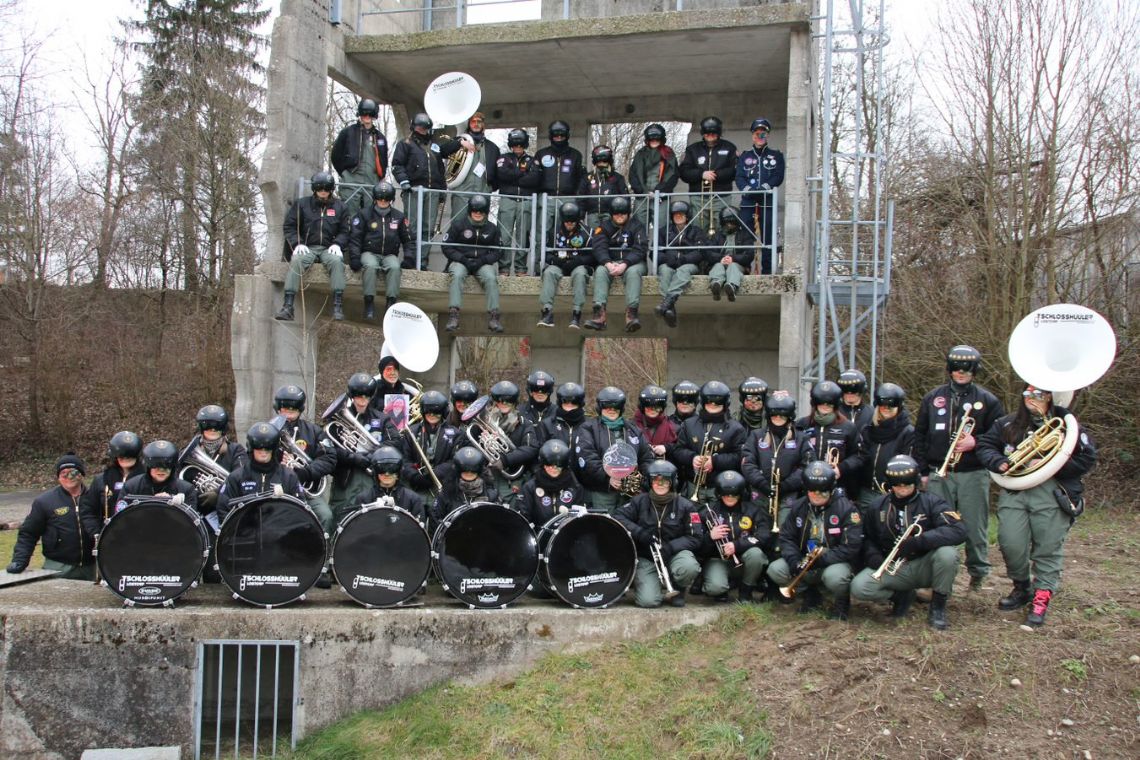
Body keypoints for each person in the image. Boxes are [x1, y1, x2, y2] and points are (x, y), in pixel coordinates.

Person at [976, 384, 1096, 629]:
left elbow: (1087, 458)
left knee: (1047, 548)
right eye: (1028, 394)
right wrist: (998, 461)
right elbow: (984, 444)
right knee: (1010, 543)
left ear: (1050, 397)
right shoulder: (1008, 423)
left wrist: (1051, 462)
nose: (1032, 399)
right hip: (1016, 492)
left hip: (1051, 493)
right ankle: (1022, 587)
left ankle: (1042, 597)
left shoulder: (1068, 427)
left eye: (1039, 395)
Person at [913, 345, 1006, 591]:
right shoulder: (933, 398)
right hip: (938, 473)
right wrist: (923, 471)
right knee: (937, 525)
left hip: (973, 473)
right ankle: (936, 574)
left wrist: (976, 442)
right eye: (956, 368)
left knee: (975, 526)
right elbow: (919, 436)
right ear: (949, 369)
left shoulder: (988, 400)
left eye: (967, 368)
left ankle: (978, 573)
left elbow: (1000, 437)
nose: (961, 372)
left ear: (975, 370)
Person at [850, 455, 967, 630]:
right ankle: (901, 596)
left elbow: (958, 530)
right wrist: (873, 555)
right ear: (890, 484)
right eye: (897, 484)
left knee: (947, 554)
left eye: (908, 484)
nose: (903, 488)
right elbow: (867, 537)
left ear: (916, 482)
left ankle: (938, 607)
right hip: (895, 566)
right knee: (860, 587)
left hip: (925, 563)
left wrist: (920, 541)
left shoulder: (932, 501)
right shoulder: (877, 506)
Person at [767, 460, 862, 620]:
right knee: (776, 570)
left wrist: (821, 560)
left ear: (831, 490)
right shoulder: (799, 506)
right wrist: (794, 560)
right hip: (806, 557)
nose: (817, 496)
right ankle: (810, 593)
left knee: (835, 577)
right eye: (812, 491)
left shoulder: (847, 509)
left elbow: (851, 546)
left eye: (822, 492)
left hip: (832, 560)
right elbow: (786, 537)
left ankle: (841, 601)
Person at [614, 460, 706, 608]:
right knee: (648, 601)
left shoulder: (686, 506)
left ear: (673, 482)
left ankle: (678, 589)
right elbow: (618, 516)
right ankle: (650, 585)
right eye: (656, 480)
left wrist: (671, 547)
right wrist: (640, 533)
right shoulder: (639, 502)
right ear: (649, 482)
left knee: (689, 566)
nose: (660, 484)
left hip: (674, 554)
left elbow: (695, 537)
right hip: (648, 557)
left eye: (665, 481)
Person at [324, 372, 403, 521]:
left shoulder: (382, 419)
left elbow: (395, 442)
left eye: (366, 396)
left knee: (372, 518)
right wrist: (352, 457)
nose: (362, 400)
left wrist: (374, 455)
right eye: (359, 396)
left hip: (372, 477)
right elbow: (329, 447)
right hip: (346, 478)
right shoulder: (337, 420)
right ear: (352, 396)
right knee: (341, 516)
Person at [7, 454, 96, 580]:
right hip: (58, 566)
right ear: (58, 477)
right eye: (63, 473)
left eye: (73, 472)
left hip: (93, 566)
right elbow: (28, 533)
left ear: (81, 474)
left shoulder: (95, 498)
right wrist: (19, 561)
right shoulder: (44, 502)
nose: (68, 476)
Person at [276, 171, 350, 322]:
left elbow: (346, 230)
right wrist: (297, 243)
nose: (323, 191)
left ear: (331, 189)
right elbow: (290, 226)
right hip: (307, 247)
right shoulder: (302, 204)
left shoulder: (340, 207)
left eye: (326, 188)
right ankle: (288, 306)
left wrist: (338, 244)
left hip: (329, 248)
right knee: (296, 261)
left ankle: (337, 306)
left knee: (337, 262)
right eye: (320, 188)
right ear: (314, 188)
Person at [741, 392, 815, 536]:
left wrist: (786, 486)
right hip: (760, 493)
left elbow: (807, 465)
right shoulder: (757, 436)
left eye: (782, 416)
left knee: (785, 532)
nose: (778, 419)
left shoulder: (801, 438)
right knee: (759, 530)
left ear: (789, 417)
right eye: (774, 416)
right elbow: (748, 463)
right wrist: (762, 484)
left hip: (789, 494)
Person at [575, 386, 655, 513]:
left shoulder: (633, 429)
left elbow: (646, 458)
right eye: (607, 406)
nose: (611, 410)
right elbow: (587, 458)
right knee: (604, 523)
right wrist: (608, 478)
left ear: (621, 408)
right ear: (600, 408)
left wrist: (641, 480)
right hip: (602, 490)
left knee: (627, 523)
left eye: (616, 407)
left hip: (630, 492)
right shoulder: (588, 428)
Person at [272, 384, 337, 535]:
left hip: (307, 491)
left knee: (326, 516)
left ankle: (322, 549)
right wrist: (279, 463)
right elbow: (256, 457)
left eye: (293, 409)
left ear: (300, 410)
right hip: (276, 489)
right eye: (285, 409)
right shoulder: (268, 430)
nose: (289, 413)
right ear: (278, 408)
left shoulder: (313, 431)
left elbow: (329, 458)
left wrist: (305, 472)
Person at [391, 112, 458, 255]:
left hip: (432, 191)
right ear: (413, 127)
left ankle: (422, 259)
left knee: (428, 227)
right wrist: (404, 181)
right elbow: (397, 165)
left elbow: (440, 169)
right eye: (419, 127)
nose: (422, 130)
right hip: (413, 190)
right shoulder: (405, 144)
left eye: (425, 128)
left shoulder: (434, 146)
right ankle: (411, 258)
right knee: (412, 226)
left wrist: (442, 190)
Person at [672, 381, 747, 504]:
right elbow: (677, 450)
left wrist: (714, 461)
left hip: (722, 488)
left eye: (717, 403)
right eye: (709, 402)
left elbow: (740, 456)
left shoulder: (736, 428)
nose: (713, 404)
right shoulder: (689, 424)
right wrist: (692, 458)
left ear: (725, 403)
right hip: (692, 485)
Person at [701, 470, 770, 603]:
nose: (730, 497)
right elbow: (697, 546)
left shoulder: (753, 510)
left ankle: (746, 591)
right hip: (718, 560)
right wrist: (710, 537)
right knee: (715, 588)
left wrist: (737, 545)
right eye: (726, 494)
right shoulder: (708, 512)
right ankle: (724, 585)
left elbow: (764, 536)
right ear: (719, 493)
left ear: (741, 493)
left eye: (734, 494)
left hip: (744, 559)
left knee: (756, 554)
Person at [347, 181, 414, 319]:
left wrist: (408, 257)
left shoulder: (399, 217)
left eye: (386, 199)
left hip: (389, 254)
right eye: (380, 199)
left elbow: (408, 240)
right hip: (369, 252)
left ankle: (391, 303)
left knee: (395, 267)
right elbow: (355, 238)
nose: (383, 202)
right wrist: (354, 257)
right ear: (375, 199)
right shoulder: (364, 214)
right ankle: (369, 302)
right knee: (371, 266)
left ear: (391, 200)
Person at [216, 423, 306, 521]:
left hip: (281, 528)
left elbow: (300, 510)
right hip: (245, 529)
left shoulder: (289, 476)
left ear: (274, 449)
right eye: (258, 447)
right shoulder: (236, 477)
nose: (263, 451)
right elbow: (223, 509)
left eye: (268, 448)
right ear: (251, 448)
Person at [441, 194, 504, 333]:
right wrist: (462, 259)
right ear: (470, 211)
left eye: (481, 211)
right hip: (461, 261)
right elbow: (446, 246)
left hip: (482, 263)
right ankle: (453, 315)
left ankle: (494, 317)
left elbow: (499, 251)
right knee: (457, 275)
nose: (478, 213)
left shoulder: (492, 228)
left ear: (486, 212)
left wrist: (483, 260)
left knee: (491, 277)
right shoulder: (458, 225)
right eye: (475, 210)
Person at [586, 196, 647, 333]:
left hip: (633, 263)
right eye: (616, 213)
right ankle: (599, 314)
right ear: (611, 214)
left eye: (623, 213)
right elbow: (599, 247)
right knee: (600, 271)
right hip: (611, 263)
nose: (620, 216)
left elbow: (640, 248)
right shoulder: (604, 227)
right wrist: (607, 263)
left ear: (628, 213)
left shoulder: (637, 226)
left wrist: (625, 264)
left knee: (633, 273)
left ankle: (631, 314)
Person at [537, 200, 600, 329]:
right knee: (549, 272)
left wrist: (579, 261)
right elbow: (546, 253)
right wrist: (555, 260)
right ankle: (547, 312)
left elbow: (594, 256)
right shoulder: (554, 231)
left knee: (580, 275)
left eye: (572, 222)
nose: (569, 224)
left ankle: (576, 313)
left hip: (578, 265)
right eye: (567, 222)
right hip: (559, 264)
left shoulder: (588, 233)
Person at [854, 383, 914, 514]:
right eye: (882, 405)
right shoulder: (868, 429)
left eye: (891, 405)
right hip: (866, 491)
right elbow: (860, 457)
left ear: (899, 406)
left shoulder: (907, 432)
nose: (886, 408)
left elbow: (908, 464)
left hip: (892, 492)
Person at [797, 380, 863, 499]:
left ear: (835, 405)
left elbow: (859, 455)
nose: (825, 406)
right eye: (821, 403)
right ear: (815, 403)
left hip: (836, 485)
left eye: (829, 404)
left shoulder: (847, 427)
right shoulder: (802, 424)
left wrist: (841, 468)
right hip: (806, 485)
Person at [179, 405, 248, 517]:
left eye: (217, 427)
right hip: (195, 510)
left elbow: (241, 477)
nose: (212, 429)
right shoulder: (188, 451)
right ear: (201, 428)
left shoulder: (236, 450)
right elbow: (179, 481)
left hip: (228, 510)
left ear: (224, 429)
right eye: (208, 426)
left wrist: (218, 492)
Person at [735, 118, 784, 273]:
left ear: (767, 135)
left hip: (766, 201)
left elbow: (778, 176)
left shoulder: (776, 155)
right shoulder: (745, 156)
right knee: (746, 236)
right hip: (748, 201)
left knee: (768, 237)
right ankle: (744, 268)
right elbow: (739, 176)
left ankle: (767, 271)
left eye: (763, 134)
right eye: (757, 134)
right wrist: (748, 189)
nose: (759, 137)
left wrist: (764, 187)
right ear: (753, 136)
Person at [480, 381, 539, 507]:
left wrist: (505, 460)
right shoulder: (483, 421)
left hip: (511, 481)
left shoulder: (524, 424)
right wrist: (482, 443)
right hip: (485, 478)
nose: (504, 404)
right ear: (494, 402)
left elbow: (531, 449)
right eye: (500, 401)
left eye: (509, 401)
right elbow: (469, 446)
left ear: (515, 403)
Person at [330, 98, 388, 220]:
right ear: (360, 114)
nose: (367, 117)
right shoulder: (348, 132)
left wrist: (382, 175)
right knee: (349, 213)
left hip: (372, 179)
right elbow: (335, 155)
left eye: (370, 114)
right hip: (351, 178)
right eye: (364, 114)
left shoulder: (380, 137)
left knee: (371, 215)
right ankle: (349, 232)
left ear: (374, 116)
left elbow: (384, 159)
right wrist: (344, 173)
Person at [678, 116, 737, 235]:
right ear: (703, 133)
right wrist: (701, 174)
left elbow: (734, 170)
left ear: (719, 133)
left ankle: (721, 248)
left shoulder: (729, 147)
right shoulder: (692, 150)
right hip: (698, 197)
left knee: (722, 227)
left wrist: (716, 175)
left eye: (713, 133)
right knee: (698, 228)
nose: (710, 135)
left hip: (721, 196)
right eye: (707, 133)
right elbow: (684, 172)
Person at [401, 390, 460, 506]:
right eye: (428, 411)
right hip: (415, 488)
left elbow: (455, 461)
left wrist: (435, 474)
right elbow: (405, 459)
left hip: (443, 488)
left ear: (443, 412)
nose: (432, 415)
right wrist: (414, 476)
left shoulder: (456, 434)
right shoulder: (411, 432)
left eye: (436, 412)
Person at [79, 431, 145, 535]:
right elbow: (88, 509)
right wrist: (97, 533)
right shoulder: (101, 480)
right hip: (110, 537)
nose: (125, 459)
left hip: (141, 536)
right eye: (121, 456)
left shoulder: (148, 479)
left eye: (130, 456)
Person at [496, 128, 543, 273]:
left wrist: (513, 177)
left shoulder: (532, 160)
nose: (518, 147)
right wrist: (522, 173)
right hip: (507, 200)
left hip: (525, 201)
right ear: (511, 145)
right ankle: (504, 267)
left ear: (525, 145)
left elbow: (534, 180)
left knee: (523, 236)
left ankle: (520, 267)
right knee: (504, 235)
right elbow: (502, 175)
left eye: (520, 145)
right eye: (515, 145)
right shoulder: (504, 158)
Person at [654, 200, 707, 328]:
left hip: (689, 264)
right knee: (665, 270)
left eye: (681, 214)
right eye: (675, 214)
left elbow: (700, 252)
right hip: (669, 263)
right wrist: (667, 259)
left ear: (687, 216)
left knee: (683, 271)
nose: (678, 216)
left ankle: (667, 302)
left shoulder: (696, 231)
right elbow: (654, 252)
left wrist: (684, 259)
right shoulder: (663, 231)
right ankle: (669, 307)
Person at [447, 111, 500, 229]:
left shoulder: (493, 147)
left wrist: (490, 187)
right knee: (457, 225)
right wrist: (460, 142)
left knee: (481, 227)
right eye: (473, 121)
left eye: (479, 121)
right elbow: (443, 151)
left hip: (483, 193)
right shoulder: (459, 141)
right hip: (461, 193)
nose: (476, 124)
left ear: (483, 125)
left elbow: (497, 171)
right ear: (469, 124)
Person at [517, 439, 586, 527]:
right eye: (548, 465)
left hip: (566, 533)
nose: (553, 468)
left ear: (564, 466)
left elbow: (579, 520)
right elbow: (523, 519)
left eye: (558, 465)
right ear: (543, 465)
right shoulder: (530, 488)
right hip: (538, 533)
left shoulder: (575, 488)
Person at [354, 445, 428, 525]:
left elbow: (418, 530)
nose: (387, 473)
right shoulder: (363, 499)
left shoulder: (413, 500)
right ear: (375, 472)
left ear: (399, 471)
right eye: (381, 469)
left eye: (392, 468)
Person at [534, 120, 584, 230]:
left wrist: (577, 198)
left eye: (562, 135)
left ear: (567, 136)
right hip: (546, 198)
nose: (559, 138)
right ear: (551, 136)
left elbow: (580, 178)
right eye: (556, 136)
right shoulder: (541, 154)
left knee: (564, 230)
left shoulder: (576, 155)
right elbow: (535, 177)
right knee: (542, 230)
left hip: (568, 198)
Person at [627, 123, 679, 229]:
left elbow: (673, 174)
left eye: (657, 139)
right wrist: (639, 189)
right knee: (639, 226)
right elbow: (633, 173)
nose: (654, 141)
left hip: (661, 196)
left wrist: (659, 190)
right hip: (642, 196)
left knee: (661, 226)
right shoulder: (640, 153)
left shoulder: (668, 153)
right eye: (651, 139)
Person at [122, 441, 199, 511]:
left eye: (166, 467)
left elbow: (191, 519)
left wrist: (174, 506)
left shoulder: (186, 490)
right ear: (148, 467)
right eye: (156, 466)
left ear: (173, 467)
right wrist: (152, 504)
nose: (161, 470)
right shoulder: (131, 487)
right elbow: (121, 516)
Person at [432, 446, 501, 523]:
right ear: (458, 471)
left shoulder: (491, 494)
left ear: (479, 471)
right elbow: (436, 520)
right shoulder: (447, 494)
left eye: (473, 472)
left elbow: (500, 520)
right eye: (465, 472)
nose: (469, 473)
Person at [706, 207, 754, 301]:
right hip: (720, 262)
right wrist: (721, 258)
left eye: (732, 223)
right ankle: (716, 284)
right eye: (726, 223)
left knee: (733, 266)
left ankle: (731, 286)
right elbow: (709, 253)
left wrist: (733, 258)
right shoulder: (717, 236)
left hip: (738, 264)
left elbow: (749, 254)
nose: (729, 225)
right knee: (718, 266)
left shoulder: (744, 235)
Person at [577, 144, 629, 228]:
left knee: (609, 233)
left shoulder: (617, 178)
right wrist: (580, 215)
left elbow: (625, 197)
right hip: (592, 214)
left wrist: (622, 214)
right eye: (599, 162)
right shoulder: (587, 178)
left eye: (604, 162)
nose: (602, 164)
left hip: (611, 214)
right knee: (594, 234)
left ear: (609, 162)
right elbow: (581, 197)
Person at [633, 385, 678, 461]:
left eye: (657, 407)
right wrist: (644, 448)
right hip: (640, 465)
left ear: (662, 408)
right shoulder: (631, 426)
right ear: (642, 407)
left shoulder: (673, 426)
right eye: (649, 407)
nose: (652, 410)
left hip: (665, 466)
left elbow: (680, 448)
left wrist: (666, 448)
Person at [537, 381, 587, 447]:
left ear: (580, 403)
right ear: (560, 402)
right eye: (565, 401)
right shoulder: (547, 425)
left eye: (574, 402)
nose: (570, 404)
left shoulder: (589, 425)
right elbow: (541, 449)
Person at [837, 369, 874, 433]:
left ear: (862, 390)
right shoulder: (834, 412)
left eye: (854, 390)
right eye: (845, 390)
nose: (849, 393)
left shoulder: (872, 413)